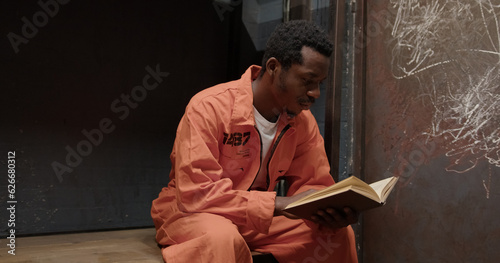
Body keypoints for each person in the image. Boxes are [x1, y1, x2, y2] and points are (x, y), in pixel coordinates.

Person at [151, 20, 358, 263]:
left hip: (254, 217)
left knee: (337, 235)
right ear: (273, 67)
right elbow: (197, 194)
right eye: (307, 81)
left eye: (319, 84)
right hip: (192, 212)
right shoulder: (208, 107)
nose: (315, 94)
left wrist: (325, 210)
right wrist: (280, 204)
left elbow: (312, 184)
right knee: (221, 239)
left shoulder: (303, 122)